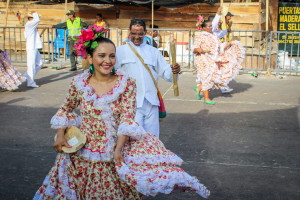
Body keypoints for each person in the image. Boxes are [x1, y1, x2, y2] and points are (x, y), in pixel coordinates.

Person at [33, 27, 210, 199]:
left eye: (112, 56)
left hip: (115, 148)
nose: (107, 61)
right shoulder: (78, 83)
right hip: (82, 152)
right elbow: (66, 108)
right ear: (90, 57)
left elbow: (127, 118)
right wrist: (60, 135)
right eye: (101, 56)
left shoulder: (126, 84)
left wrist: (117, 151)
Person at [115, 19, 181, 138]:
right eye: (134, 33)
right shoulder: (119, 51)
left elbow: (166, 73)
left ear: (145, 33)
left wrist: (174, 70)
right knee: (133, 140)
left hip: (151, 103)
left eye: (140, 34)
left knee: (152, 139)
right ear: (129, 32)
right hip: (131, 103)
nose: (137, 37)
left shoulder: (153, 52)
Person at [193, 17, 245, 104]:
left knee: (214, 77)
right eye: (209, 26)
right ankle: (206, 98)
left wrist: (229, 44)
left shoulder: (214, 36)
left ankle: (199, 88)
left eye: (211, 26)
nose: (210, 27)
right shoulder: (201, 36)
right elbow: (194, 48)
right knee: (207, 77)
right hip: (202, 59)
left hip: (212, 59)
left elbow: (219, 47)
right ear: (204, 28)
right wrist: (199, 50)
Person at [24, 12, 43, 88]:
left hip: (35, 47)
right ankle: (30, 82)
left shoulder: (32, 25)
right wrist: (35, 13)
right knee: (31, 65)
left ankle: (26, 76)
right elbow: (37, 20)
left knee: (40, 63)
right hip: (31, 47)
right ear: (31, 18)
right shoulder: (29, 25)